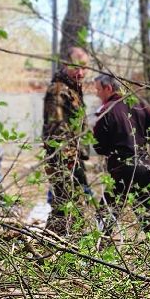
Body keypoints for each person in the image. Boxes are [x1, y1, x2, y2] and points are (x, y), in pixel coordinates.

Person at [90, 73, 150, 233]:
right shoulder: (138, 103)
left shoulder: (106, 110)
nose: (97, 94)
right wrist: (141, 136)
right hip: (144, 165)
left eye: (98, 90)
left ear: (108, 88)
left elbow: (98, 146)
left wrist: (109, 148)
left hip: (121, 168)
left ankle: (99, 243)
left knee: (106, 213)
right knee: (146, 212)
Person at [42, 46, 93, 233]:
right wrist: (72, 165)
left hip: (72, 158)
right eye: (76, 67)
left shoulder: (72, 89)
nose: (81, 72)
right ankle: (65, 243)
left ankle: (53, 242)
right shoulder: (58, 90)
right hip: (64, 160)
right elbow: (57, 132)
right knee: (71, 207)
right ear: (65, 64)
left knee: (64, 208)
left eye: (84, 67)